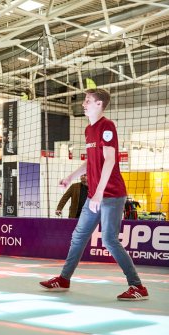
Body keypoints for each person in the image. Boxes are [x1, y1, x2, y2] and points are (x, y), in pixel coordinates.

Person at [39, 88, 148, 301]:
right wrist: (71, 177)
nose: (83, 104)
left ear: (99, 104)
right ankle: (64, 279)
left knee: (109, 240)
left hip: (112, 195)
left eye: (88, 100)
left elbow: (110, 160)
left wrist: (98, 193)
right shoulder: (89, 130)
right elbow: (91, 162)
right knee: (78, 236)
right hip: (95, 196)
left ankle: (137, 286)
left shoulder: (107, 126)